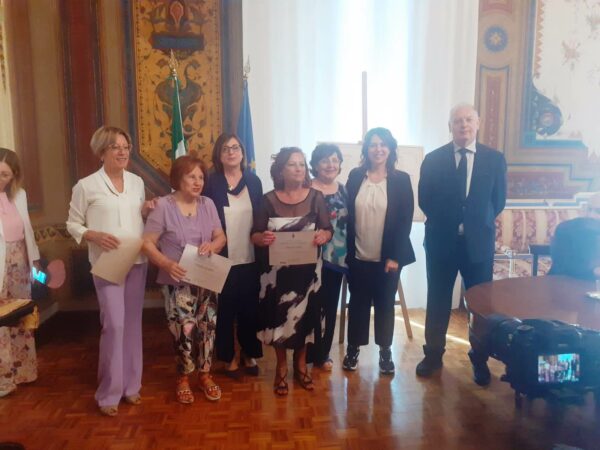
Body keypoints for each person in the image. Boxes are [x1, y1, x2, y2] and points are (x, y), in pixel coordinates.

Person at [416, 103, 507, 386]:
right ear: (450, 127)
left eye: (468, 120)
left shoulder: (494, 159)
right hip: (441, 242)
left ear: (477, 124)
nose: (463, 125)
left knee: (480, 305)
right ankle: (433, 355)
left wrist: (474, 222)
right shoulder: (433, 159)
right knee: (438, 299)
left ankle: (479, 359)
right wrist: (451, 221)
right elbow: (425, 200)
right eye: (457, 121)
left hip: (478, 245)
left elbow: (498, 201)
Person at [66, 126, 153, 416]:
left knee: (132, 324)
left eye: (126, 147)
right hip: (106, 264)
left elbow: (136, 215)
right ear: (102, 151)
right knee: (114, 325)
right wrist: (93, 235)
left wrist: (146, 210)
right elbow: (72, 224)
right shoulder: (86, 186)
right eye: (116, 147)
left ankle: (132, 387)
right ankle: (108, 394)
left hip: (136, 260)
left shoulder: (137, 182)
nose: (122, 151)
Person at [142, 154, 226, 404]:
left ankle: (205, 375)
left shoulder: (208, 204)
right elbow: (147, 244)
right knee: (183, 331)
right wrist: (166, 263)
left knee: (208, 328)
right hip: (176, 282)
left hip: (206, 279)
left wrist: (212, 246)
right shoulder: (163, 206)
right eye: (191, 177)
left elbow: (221, 237)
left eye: (201, 177)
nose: (198, 182)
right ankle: (183, 378)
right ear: (178, 179)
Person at [251, 147, 332, 395]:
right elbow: (254, 235)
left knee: (304, 320)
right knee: (279, 320)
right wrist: (262, 238)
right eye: (292, 164)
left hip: (308, 275)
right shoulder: (267, 199)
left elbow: (328, 229)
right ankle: (281, 368)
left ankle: (301, 366)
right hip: (277, 276)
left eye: (301, 164)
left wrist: (323, 235)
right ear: (280, 170)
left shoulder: (316, 197)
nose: (298, 169)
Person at [342, 127, 415, 375]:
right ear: (366, 149)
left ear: (390, 148)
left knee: (385, 305)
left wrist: (395, 257)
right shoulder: (355, 176)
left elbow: (405, 221)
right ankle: (353, 350)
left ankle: (385, 351)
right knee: (358, 304)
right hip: (358, 255)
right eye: (373, 144)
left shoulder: (401, 180)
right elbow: (346, 215)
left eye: (383, 144)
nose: (378, 149)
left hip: (388, 259)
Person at [204, 133, 263, 378]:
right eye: (226, 148)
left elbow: (261, 216)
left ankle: (249, 353)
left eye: (235, 147)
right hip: (222, 255)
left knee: (250, 310)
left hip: (250, 256)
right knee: (225, 310)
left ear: (242, 152)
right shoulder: (211, 182)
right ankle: (228, 359)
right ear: (219, 155)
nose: (231, 152)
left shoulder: (254, 181)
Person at [0, 148, 40, 398]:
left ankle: (24, 371)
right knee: (1, 320)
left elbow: (28, 230)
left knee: (20, 315)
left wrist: (34, 260)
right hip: (0, 265)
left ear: (14, 175)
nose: (0, 179)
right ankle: (4, 378)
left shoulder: (20, 195)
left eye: (4, 175)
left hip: (21, 263)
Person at [307, 143, 348, 371]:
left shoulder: (344, 190)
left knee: (330, 306)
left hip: (337, 259)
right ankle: (306, 353)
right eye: (325, 160)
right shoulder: (306, 188)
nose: (330, 165)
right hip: (309, 257)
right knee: (309, 305)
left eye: (334, 160)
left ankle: (323, 354)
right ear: (315, 165)